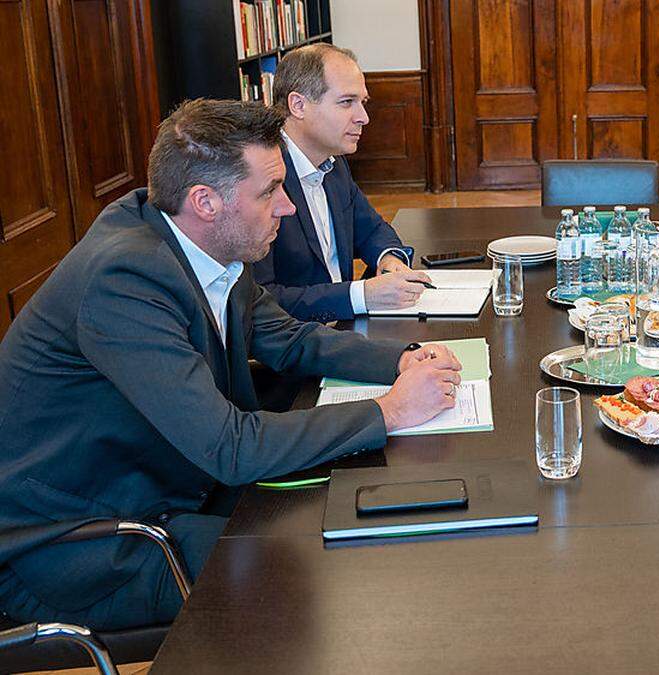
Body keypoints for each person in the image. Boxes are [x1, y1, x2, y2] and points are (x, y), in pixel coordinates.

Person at [0, 99, 463, 631]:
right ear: (206, 202)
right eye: (269, 191)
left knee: (349, 517)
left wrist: (404, 359)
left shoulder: (197, 241)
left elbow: (287, 340)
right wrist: (389, 413)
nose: (287, 207)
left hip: (170, 488)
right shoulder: (124, 280)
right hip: (83, 544)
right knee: (322, 574)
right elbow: (229, 447)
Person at [253, 43, 431, 322]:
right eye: (347, 102)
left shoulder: (333, 163)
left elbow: (371, 229)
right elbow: (262, 301)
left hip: (343, 332)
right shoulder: (260, 178)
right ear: (298, 105)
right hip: (298, 350)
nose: (364, 117)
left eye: (363, 102)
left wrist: (389, 261)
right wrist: (361, 295)